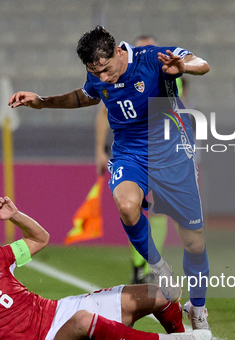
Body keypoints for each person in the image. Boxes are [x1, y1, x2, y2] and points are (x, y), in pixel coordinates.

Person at [9, 26, 221, 340]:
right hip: (130, 153)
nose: (103, 78)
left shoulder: (151, 59)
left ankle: (198, 309)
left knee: (194, 243)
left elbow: (201, 63)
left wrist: (185, 68)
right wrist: (43, 102)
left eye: (107, 69)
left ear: (119, 53)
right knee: (126, 205)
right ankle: (158, 266)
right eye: (96, 72)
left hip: (171, 153)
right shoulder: (99, 75)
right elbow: (84, 95)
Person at [0, 196, 211, 340]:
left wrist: (15, 216)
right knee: (84, 320)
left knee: (158, 293)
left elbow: (40, 238)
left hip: (61, 309)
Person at [94, 34, 176, 285]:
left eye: (149, 48)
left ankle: (149, 268)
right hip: (134, 152)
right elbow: (103, 112)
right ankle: (140, 264)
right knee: (132, 206)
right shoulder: (119, 78)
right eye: (140, 49)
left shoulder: (163, 73)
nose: (144, 53)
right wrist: (99, 148)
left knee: (161, 210)